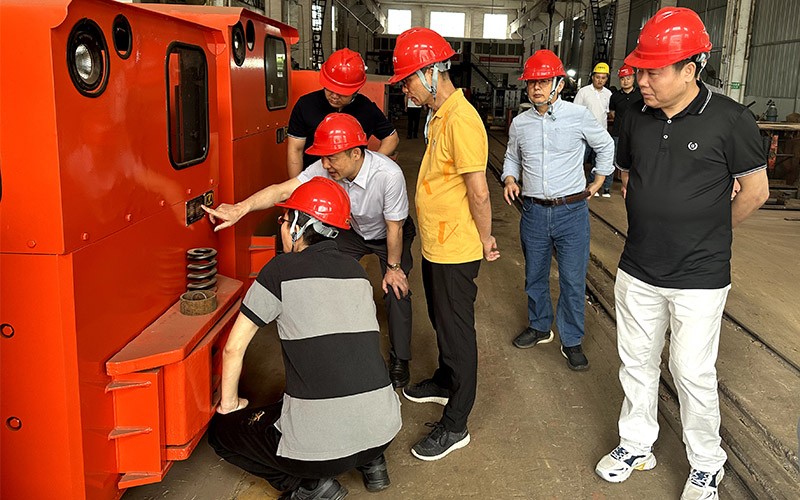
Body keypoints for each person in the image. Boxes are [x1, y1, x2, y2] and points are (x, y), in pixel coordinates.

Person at [594, 8, 770, 500]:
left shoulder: (731, 119)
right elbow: (628, 177)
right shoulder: (634, 114)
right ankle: (636, 444)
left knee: (691, 371)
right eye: (640, 71)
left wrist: (707, 230)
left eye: (653, 72)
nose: (641, 81)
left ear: (689, 69)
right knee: (636, 362)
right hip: (638, 268)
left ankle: (707, 463)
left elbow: (755, 192)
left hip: (700, 275)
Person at [207, 177, 402, 500]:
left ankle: (310, 486)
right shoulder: (357, 271)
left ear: (299, 225)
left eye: (284, 221)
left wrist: (230, 405)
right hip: (384, 430)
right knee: (345, 367)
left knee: (221, 435)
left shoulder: (279, 270)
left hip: (319, 453)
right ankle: (373, 464)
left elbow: (234, 348)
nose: (282, 228)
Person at [203, 114, 416, 388]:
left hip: (390, 234)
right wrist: (240, 208)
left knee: (396, 289)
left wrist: (393, 268)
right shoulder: (327, 168)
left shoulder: (388, 175)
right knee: (323, 272)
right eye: (323, 158)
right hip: (353, 232)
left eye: (331, 158)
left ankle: (401, 358)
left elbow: (394, 228)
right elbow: (282, 191)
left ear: (355, 153)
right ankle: (331, 340)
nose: (325, 165)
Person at [388, 26, 500, 462]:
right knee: (440, 319)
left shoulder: (463, 119)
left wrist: (486, 238)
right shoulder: (439, 115)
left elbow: (479, 192)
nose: (406, 90)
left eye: (409, 81)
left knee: (457, 331)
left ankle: (456, 423)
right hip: (437, 243)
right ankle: (445, 379)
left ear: (433, 73)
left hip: (457, 248)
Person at [501, 49, 614, 371]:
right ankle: (539, 327)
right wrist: (509, 178)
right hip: (534, 213)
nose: (536, 88)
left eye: (543, 81)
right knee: (534, 275)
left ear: (559, 85)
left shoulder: (578, 116)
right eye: (531, 82)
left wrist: (599, 179)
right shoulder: (520, 123)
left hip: (571, 213)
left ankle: (572, 340)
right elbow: (512, 157)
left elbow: (605, 144)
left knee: (573, 280)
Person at [287, 48, 399, 177]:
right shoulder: (306, 105)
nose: (334, 96)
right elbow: (295, 149)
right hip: (315, 179)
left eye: (342, 93)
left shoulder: (366, 109)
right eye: (330, 89)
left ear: (356, 90)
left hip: (354, 183)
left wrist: (371, 167)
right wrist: (299, 185)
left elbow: (392, 138)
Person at [574, 62, 613, 195]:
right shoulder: (583, 92)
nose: (600, 80)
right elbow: (576, 111)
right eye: (597, 77)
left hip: (601, 134)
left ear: (606, 79)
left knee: (598, 161)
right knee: (581, 160)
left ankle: (593, 185)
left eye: (603, 78)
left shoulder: (608, 94)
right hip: (584, 134)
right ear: (592, 77)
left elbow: (609, 113)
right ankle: (576, 185)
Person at [606, 64, 641, 198]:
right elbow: (612, 113)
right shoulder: (615, 96)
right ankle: (606, 188)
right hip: (618, 133)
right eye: (622, 79)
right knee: (613, 159)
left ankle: (631, 187)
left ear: (633, 78)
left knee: (635, 160)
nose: (625, 81)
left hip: (635, 133)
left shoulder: (640, 95)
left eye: (628, 78)